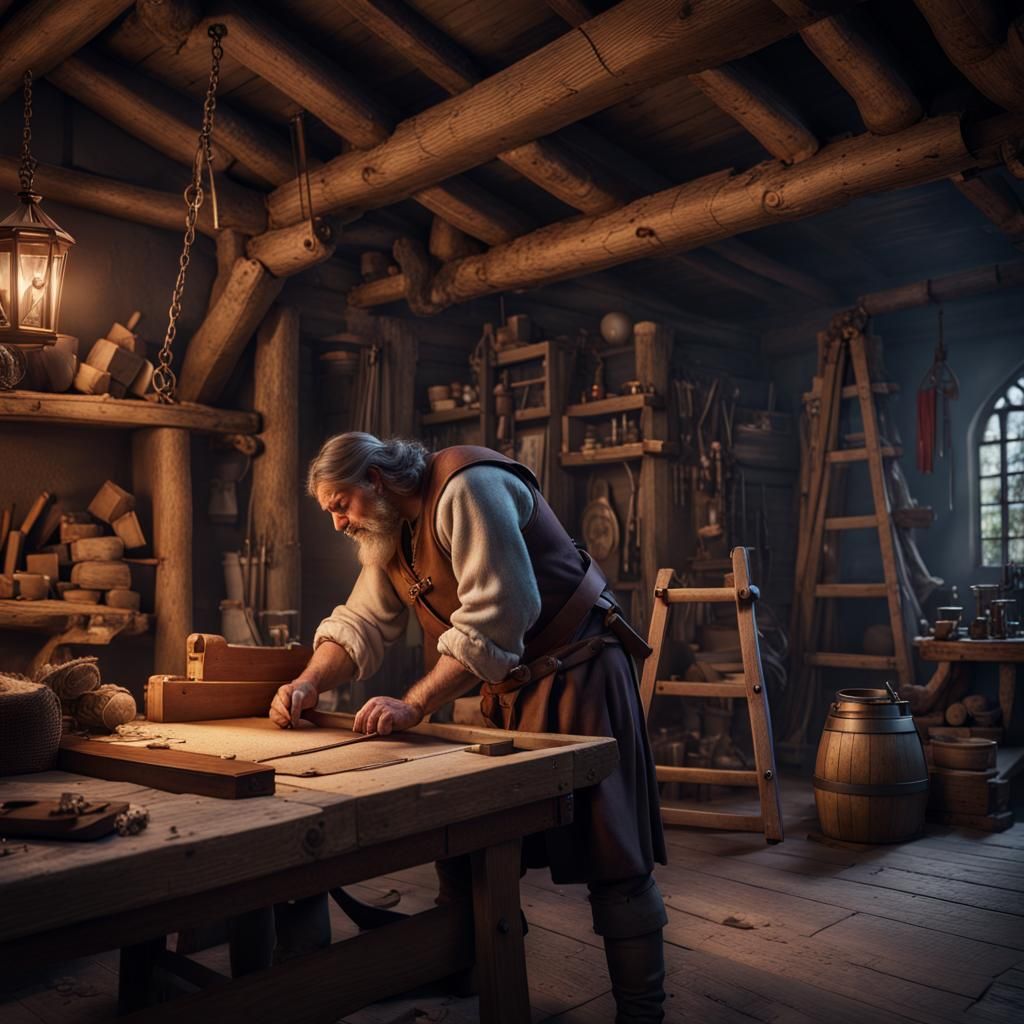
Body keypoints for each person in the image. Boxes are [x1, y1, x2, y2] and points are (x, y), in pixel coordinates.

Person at [271, 432, 668, 1023]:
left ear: (375, 480)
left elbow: (499, 617)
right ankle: (474, 968)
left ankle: (641, 1012)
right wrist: (309, 682)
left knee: (615, 856)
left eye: (340, 504)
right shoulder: (389, 533)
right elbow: (360, 623)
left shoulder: (468, 487)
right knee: (468, 845)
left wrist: (413, 705)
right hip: (507, 691)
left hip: (581, 674)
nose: (338, 522)